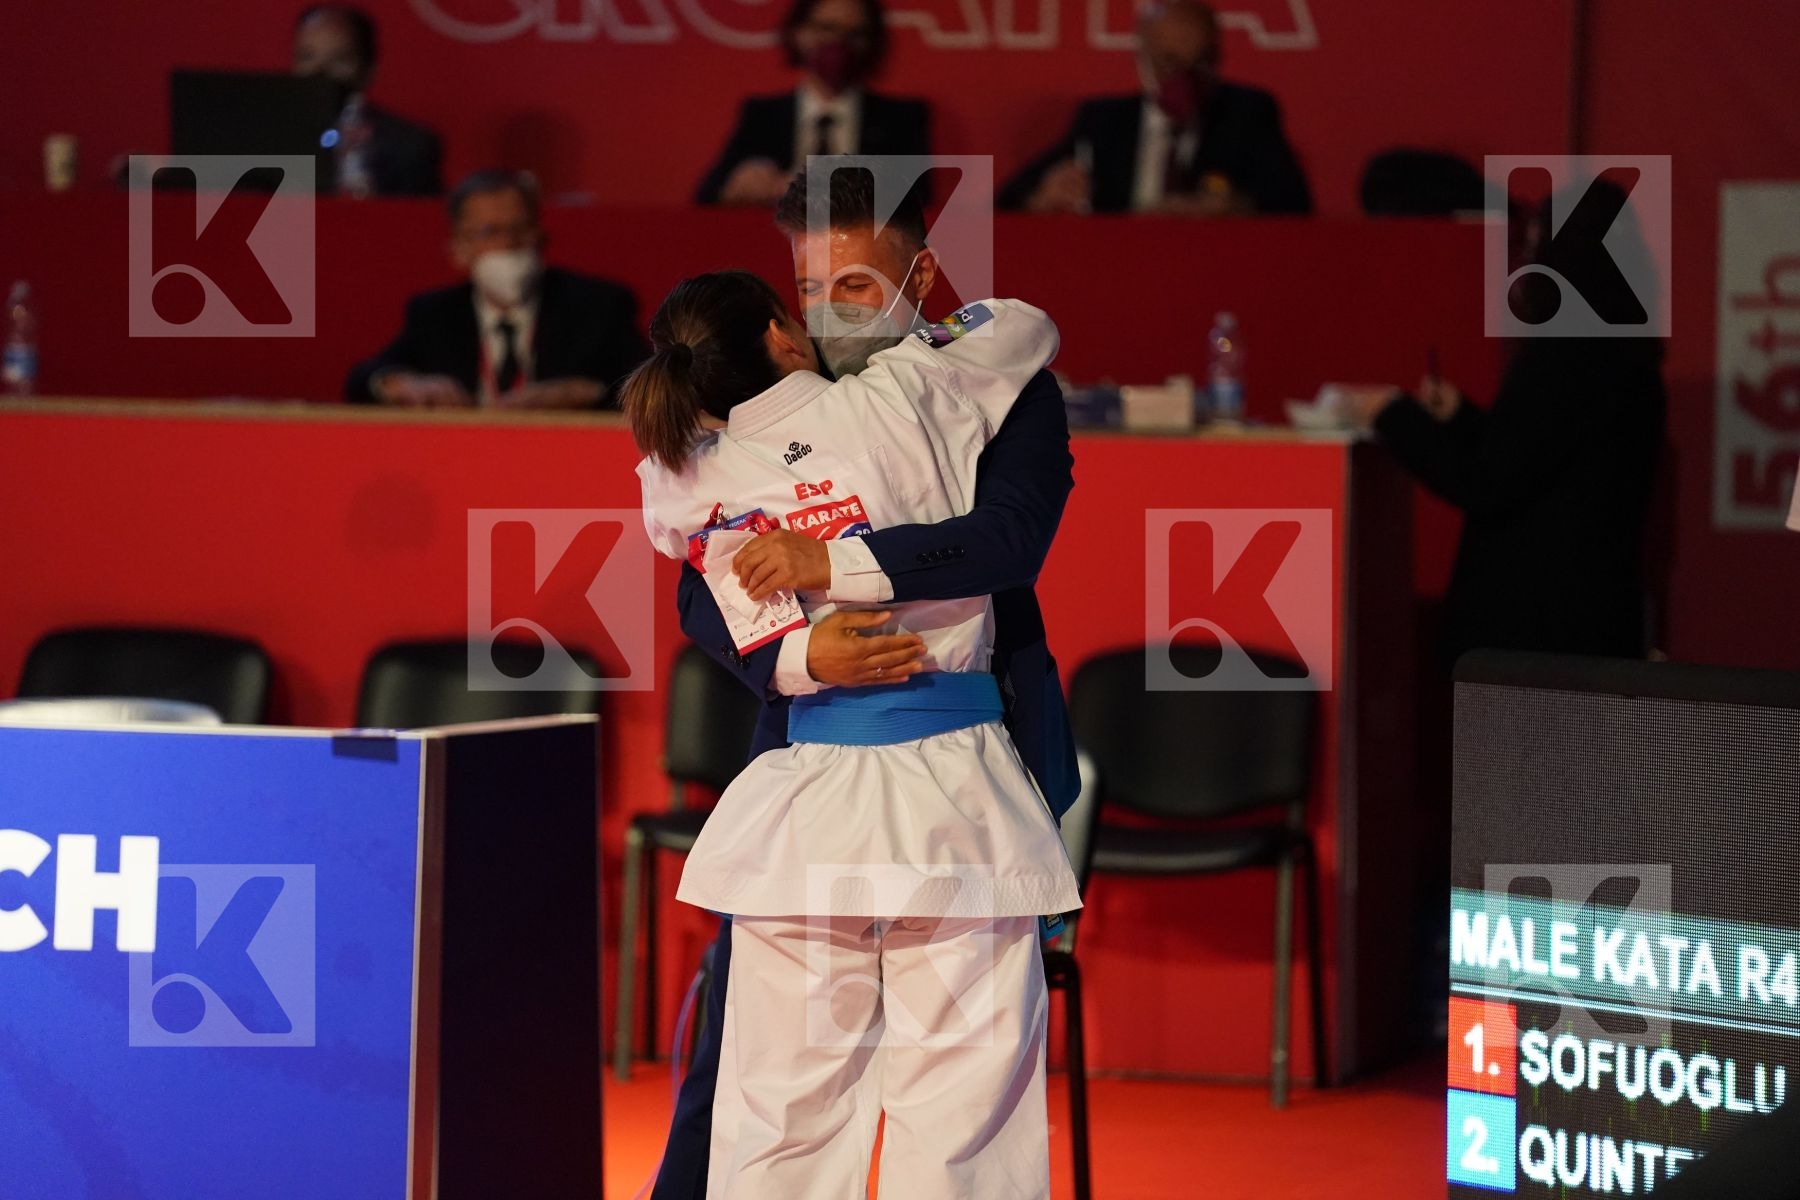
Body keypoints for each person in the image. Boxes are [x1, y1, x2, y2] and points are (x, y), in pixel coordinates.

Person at [649, 168, 1080, 1200]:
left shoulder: (985, 385)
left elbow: (1007, 543)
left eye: (855, 283)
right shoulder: (759, 407)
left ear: (920, 275)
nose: (829, 308)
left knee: (965, 1106)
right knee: (758, 1090)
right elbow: (703, 595)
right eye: (809, 286)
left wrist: (832, 566)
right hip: (810, 767)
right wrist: (804, 658)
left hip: (978, 753)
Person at [1345, 182, 1668, 667]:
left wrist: (1392, 414)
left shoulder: (1562, 356)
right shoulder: (1633, 360)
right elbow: (1542, 459)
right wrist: (1460, 417)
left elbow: (1488, 481)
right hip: (1598, 629)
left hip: (1530, 642)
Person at [344, 170, 648, 408]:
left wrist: (586, 391)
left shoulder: (596, 305)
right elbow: (363, 378)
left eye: (520, 229)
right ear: (458, 250)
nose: (508, 243)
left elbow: (649, 382)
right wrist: (400, 384)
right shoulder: (435, 314)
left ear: (541, 236)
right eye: (491, 232)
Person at [998, 0, 1311, 216]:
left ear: (1218, 59)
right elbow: (1006, 204)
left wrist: (1239, 207)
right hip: (1119, 268)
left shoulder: (1245, 115)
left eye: (1200, 62)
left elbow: (1295, 204)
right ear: (1142, 59)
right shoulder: (1103, 122)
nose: (1184, 78)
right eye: (1169, 61)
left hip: (1213, 268)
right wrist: (1041, 200)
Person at [693, 0, 930, 207]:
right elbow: (707, 196)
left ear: (872, 42)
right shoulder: (763, 115)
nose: (837, 43)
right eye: (827, 28)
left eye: (855, 33)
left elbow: (918, 199)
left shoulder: (900, 119)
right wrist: (740, 186)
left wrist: (819, 189)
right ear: (798, 33)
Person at [291, 4, 443, 196]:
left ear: (368, 70)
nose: (319, 72)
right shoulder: (271, 138)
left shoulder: (410, 147)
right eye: (307, 57)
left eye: (339, 59)